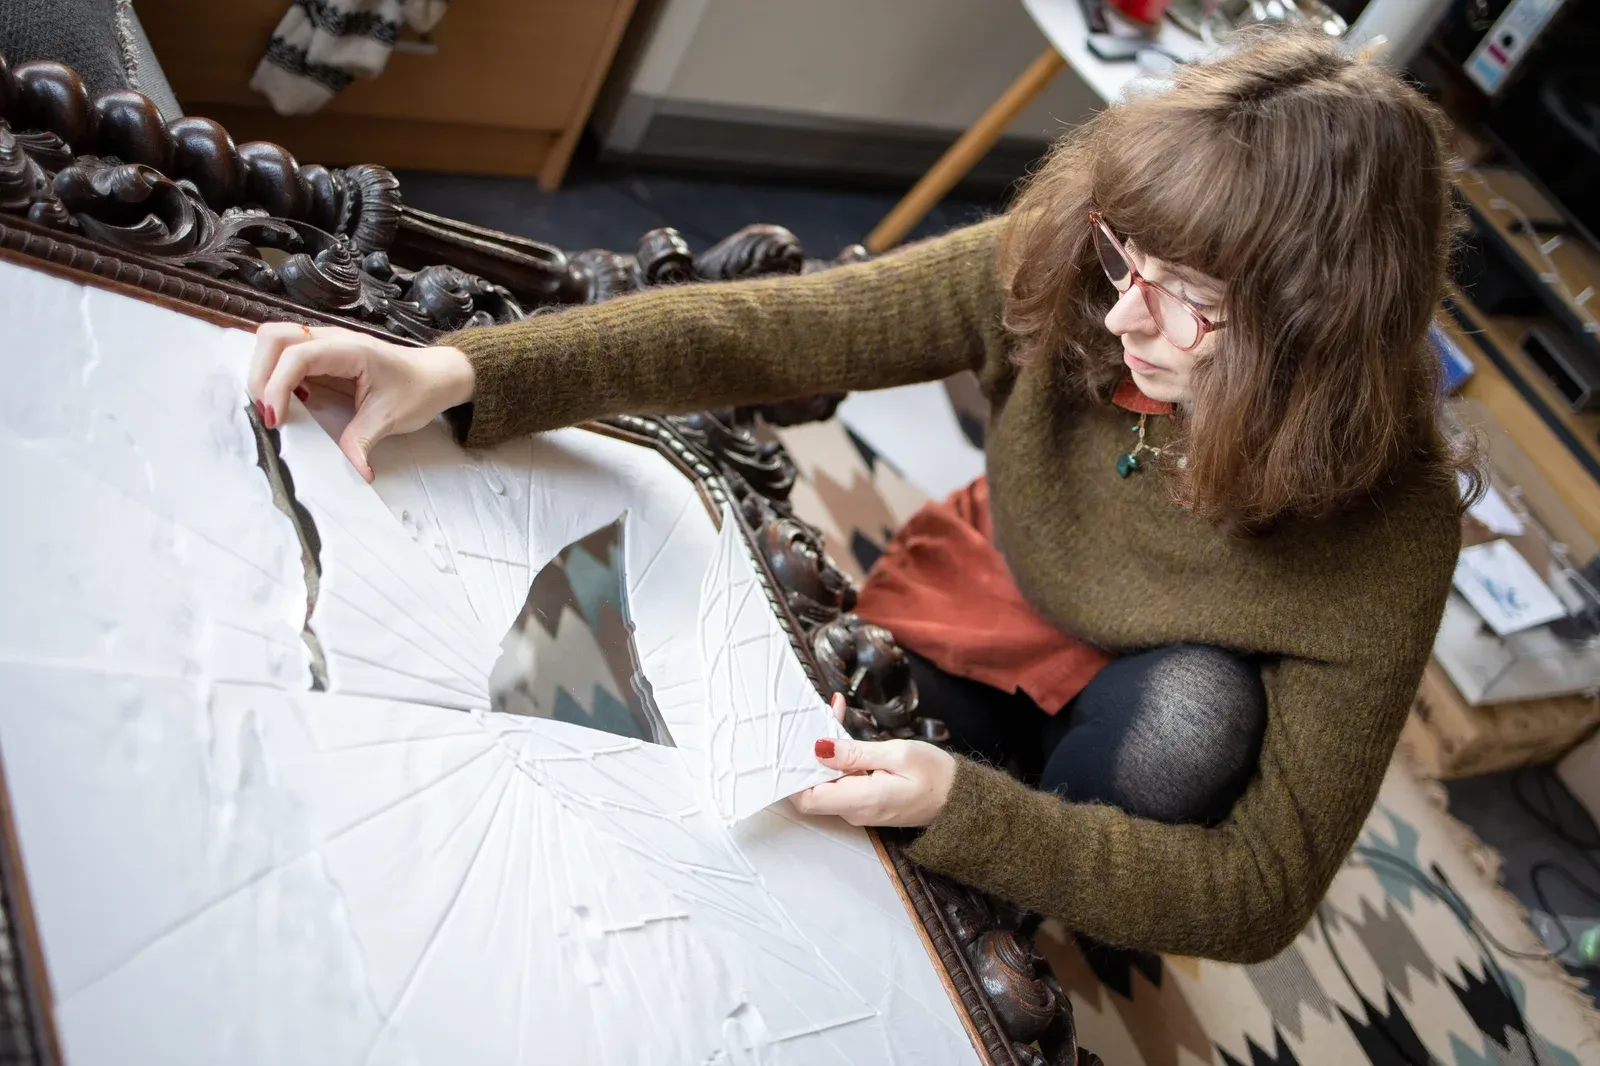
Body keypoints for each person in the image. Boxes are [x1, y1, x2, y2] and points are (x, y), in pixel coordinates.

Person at [247, 26, 1475, 964]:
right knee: (760, 759)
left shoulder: (1390, 525)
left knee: (1188, 724)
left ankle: (1017, 907)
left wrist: (979, 822)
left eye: (1188, 299)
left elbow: (1261, 892)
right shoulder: (1078, 262)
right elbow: (773, 333)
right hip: (992, 592)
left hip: (1171, 688)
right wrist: (467, 369)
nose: (1119, 313)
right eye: (1124, 258)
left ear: (1316, 336)